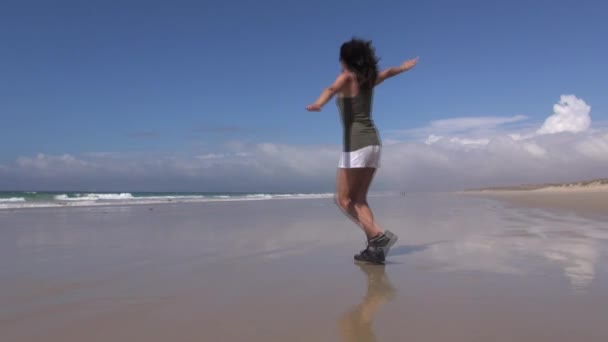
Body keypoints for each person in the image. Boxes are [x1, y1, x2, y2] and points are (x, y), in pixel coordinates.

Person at [306, 37, 418, 264]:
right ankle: (374, 251)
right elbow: (387, 73)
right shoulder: (368, 81)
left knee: (342, 200)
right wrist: (403, 68)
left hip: (356, 144)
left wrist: (320, 102)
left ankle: (379, 235)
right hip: (374, 143)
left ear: (344, 60)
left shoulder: (347, 77)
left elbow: (331, 87)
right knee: (360, 199)